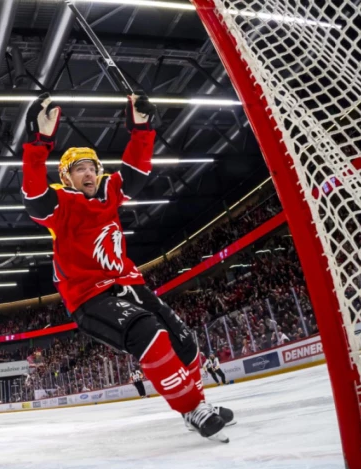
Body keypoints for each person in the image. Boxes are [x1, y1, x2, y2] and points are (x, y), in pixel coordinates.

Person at [21, 93, 235, 442]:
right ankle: (192, 408)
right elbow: (33, 194)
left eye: (92, 167)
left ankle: (199, 405)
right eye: (79, 169)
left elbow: (135, 173)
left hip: (129, 283)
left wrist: (141, 129)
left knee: (185, 341)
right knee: (147, 331)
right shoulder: (62, 206)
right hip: (90, 295)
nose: (88, 172)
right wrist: (38, 143)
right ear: (67, 177)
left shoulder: (109, 194)